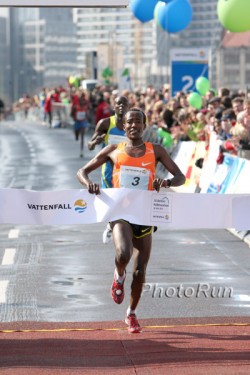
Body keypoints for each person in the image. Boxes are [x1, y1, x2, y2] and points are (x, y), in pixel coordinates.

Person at [77, 108, 186, 333]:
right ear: (124, 127)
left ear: (144, 126)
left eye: (138, 122)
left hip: (145, 214)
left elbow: (180, 177)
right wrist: (89, 184)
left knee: (140, 271)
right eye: (130, 122)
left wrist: (165, 183)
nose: (134, 125)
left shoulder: (155, 150)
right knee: (123, 254)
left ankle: (131, 313)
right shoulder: (113, 150)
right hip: (120, 212)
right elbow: (82, 172)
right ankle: (118, 276)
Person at [88, 95, 130, 243]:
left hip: (127, 169)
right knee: (112, 199)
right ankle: (111, 225)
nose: (121, 106)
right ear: (114, 106)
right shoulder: (105, 123)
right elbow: (90, 144)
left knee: (124, 200)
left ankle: (118, 226)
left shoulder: (131, 125)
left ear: (128, 107)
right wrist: (96, 141)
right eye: (118, 103)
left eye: (124, 104)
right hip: (109, 169)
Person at [71, 90, 90, 157]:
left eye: (84, 101)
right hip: (77, 121)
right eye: (81, 100)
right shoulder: (76, 106)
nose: (83, 102)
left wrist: (87, 117)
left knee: (82, 136)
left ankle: (81, 151)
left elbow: (88, 113)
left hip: (83, 122)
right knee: (76, 134)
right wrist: (74, 117)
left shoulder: (86, 105)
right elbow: (71, 113)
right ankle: (76, 135)